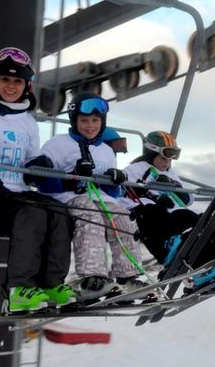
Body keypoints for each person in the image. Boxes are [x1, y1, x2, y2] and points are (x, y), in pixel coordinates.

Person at [0, 46, 76, 312]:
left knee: (59, 211)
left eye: (17, 81)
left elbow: (29, 162)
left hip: (16, 195)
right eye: (6, 79)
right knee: (32, 213)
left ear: (26, 86)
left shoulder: (27, 121)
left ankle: (52, 284)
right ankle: (19, 288)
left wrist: (40, 164)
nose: (11, 86)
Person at [36, 92, 145, 300]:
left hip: (101, 199)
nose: (90, 125)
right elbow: (41, 180)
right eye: (84, 120)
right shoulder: (58, 144)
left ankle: (128, 276)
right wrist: (70, 179)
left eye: (95, 120)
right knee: (91, 215)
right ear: (74, 121)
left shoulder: (105, 150)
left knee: (123, 217)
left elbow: (113, 193)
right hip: (68, 197)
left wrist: (115, 179)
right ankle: (92, 278)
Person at [122, 131, 215, 286]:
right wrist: (153, 199)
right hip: (153, 224)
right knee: (175, 215)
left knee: (203, 222)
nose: (167, 162)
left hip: (174, 218)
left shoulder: (170, 172)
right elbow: (124, 195)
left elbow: (187, 199)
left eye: (171, 158)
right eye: (163, 158)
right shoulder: (136, 169)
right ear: (150, 153)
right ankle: (169, 249)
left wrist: (174, 187)